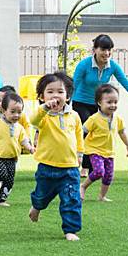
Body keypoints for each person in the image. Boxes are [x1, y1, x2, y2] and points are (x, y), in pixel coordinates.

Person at [72, 34, 128, 177]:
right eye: (103, 49)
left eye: (109, 50)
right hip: (80, 102)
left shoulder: (112, 66)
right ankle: (81, 164)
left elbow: (127, 84)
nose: (107, 53)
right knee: (86, 130)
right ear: (95, 50)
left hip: (98, 104)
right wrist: (65, 104)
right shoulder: (84, 65)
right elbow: (74, 85)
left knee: (96, 133)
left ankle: (88, 166)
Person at [28, 71, 84, 241]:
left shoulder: (74, 116)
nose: (55, 95)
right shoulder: (43, 117)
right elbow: (33, 120)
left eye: (60, 91)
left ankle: (70, 230)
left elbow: (78, 136)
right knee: (41, 196)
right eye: (50, 91)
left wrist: (80, 155)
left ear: (67, 96)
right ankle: (36, 207)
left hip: (70, 168)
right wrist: (45, 108)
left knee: (71, 199)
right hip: (47, 166)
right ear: (42, 96)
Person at [0, 92, 34, 206]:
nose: (16, 115)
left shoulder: (19, 127)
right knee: (2, 174)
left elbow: (24, 140)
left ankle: (1, 200)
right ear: (4, 111)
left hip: (12, 157)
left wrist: (30, 147)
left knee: (9, 180)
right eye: (12, 112)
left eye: (19, 112)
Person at [79, 84, 128, 202]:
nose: (113, 105)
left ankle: (102, 196)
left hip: (109, 152)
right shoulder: (94, 119)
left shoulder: (118, 119)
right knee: (99, 171)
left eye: (115, 102)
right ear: (99, 102)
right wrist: (78, 146)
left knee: (108, 176)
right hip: (94, 150)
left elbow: (122, 132)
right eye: (109, 102)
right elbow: (82, 132)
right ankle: (83, 186)